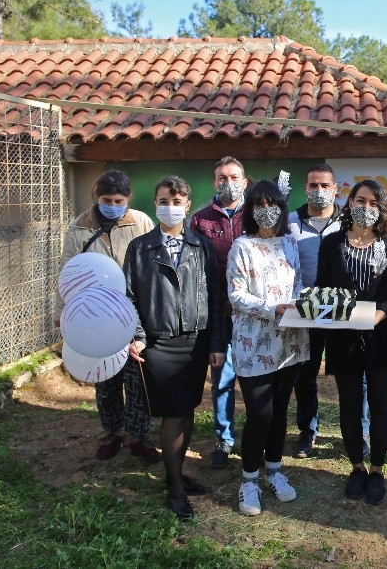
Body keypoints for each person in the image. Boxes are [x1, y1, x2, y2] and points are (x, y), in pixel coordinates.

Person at [125, 176, 223, 520]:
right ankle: (176, 486)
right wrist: (137, 334)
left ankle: (176, 471)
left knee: (188, 408)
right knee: (172, 412)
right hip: (159, 342)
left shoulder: (200, 245)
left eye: (177, 201)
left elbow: (214, 296)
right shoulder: (139, 247)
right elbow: (130, 296)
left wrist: (215, 342)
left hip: (194, 341)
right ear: (155, 203)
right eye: (164, 200)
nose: (171, 206)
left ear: (187, 205)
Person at [316, 179, 387, 505]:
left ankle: (378, 470)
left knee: (380, 406)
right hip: (343, 340)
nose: (365, 207)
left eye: (373, 203)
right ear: (349, 202)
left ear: (381, 209)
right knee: (350, 405)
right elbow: (322, 288)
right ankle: (356, 467)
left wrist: (377, 316)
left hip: (381, 338)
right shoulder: (332, 244)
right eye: (360, 200)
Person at [59, 169, 159, 463]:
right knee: (105, 379)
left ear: (128, 198)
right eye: (107, 199)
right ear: (96, 197)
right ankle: (113, 432)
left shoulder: (140, 222)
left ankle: (140, 436)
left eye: (119, 200)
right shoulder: (79, 227)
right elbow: (68, 271)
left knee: (137, 378)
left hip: (135, 313)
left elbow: (153, 263)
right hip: (95, 316)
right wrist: (61, 312)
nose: (113, 205)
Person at [225, 180, 309, 516]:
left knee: (278, 413)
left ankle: (273, 471)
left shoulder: (290, 242)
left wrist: (305, 304)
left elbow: (299, 283)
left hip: (289, 342)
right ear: (251, 210)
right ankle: (248, 481)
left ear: (281, 207)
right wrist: (271, 307)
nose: (266, 210)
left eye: (271, 203)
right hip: (254, 344)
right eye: (258, 204)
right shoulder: (241, 246)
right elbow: (236, 294)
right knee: (260, 414)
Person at [190, 156, 248, 469]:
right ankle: (224, 439)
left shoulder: (256, 216)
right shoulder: (200, 220)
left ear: (245, 181)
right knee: (222, 379)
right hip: (219, 314)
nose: (228, 183)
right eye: (222, 178)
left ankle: (258, 436)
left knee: (255, 378)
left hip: (252, 314)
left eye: (234, 177)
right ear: (214, 183)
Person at [287, 163, 344, 458]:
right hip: (304, 309)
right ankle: (307, 431)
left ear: (336, 189)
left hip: (340, 308)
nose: (318, 191)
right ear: (305, 188)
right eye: (313, 185)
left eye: (324, 186)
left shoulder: (349, 221)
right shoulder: (290, 222)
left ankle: (356, 432)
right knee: (305, 375)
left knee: (350, 374)